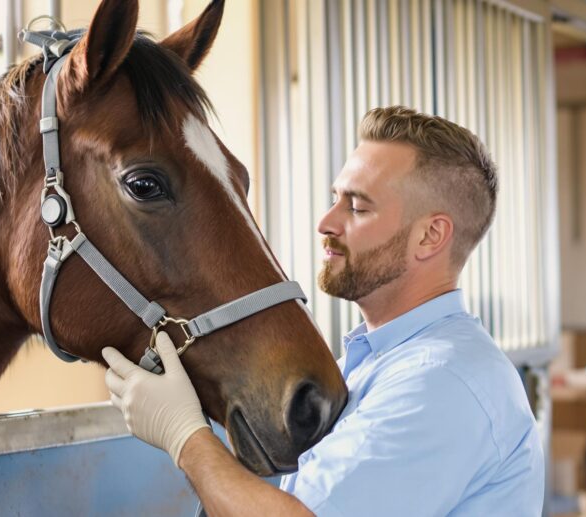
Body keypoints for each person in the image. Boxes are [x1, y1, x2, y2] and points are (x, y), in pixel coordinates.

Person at [102, 106, 545, 516]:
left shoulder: (442, 381)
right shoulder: (377, 363)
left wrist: (186, 438)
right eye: (336, 197)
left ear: (430, 236)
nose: (326, 222)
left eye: (357, 206)